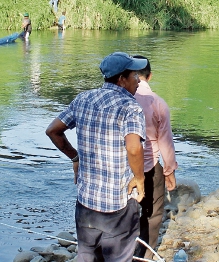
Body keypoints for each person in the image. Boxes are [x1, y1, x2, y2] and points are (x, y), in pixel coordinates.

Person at [45, 52, 148, 262]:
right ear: (122, 79)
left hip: (86, 205)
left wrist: (75, 158)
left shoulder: (83, 99)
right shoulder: (130, 108)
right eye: (134, 75)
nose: (138, 80)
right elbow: (134, 148)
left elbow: (53, 130)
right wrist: (139, 178)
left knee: (87, 256)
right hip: (117, 206)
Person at [131, 55, 178, 260]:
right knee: (153, 213)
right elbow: (165, 141)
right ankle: (147, 254)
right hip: (150, 166)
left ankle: (122, 251)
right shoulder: (158, 103)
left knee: (125, 212)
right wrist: (169, 171)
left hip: (123, 168)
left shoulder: (121, 100)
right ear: (149, 76)